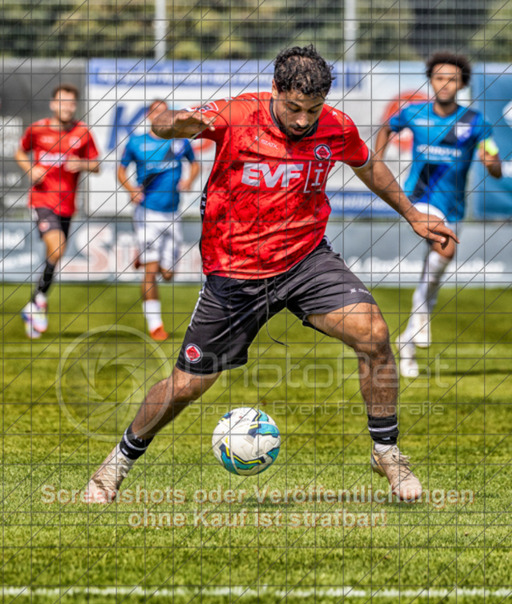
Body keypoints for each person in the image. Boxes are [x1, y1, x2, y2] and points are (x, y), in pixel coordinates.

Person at [85, 45, 458, 505]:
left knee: (374, 334)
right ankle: (116, 464)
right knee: (186, 386)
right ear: (276, 90)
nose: (303, 120)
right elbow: (168, 124)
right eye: (294, 108)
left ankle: (386, 452)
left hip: (306, 260)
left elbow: (369, 166)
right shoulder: (237, 115)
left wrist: (412, 214)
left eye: (312, 110)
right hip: (235, 273)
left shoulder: (336, 126)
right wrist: (169, 123)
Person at [375, 51, 502, 377]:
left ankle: (408, 342)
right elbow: (387, 127)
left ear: (462, 84)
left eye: (452, 79)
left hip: (453, 206)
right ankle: (418, 325)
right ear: (431, 80)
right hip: (419, 199)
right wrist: (376, 159)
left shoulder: (475, 122)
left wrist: (492, 163)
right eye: (439, 77)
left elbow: (494, 163)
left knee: (431, 278)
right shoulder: (414, 113)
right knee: (446, 246)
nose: (445, 83)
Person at [15, 84, 100, 339]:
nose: (67, 107)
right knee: (58, 246)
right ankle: (37, 302)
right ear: (53, 104)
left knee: (55, 254)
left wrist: (82, 163)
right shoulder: (37, 129)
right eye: (62, 102)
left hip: (67, 205)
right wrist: (30, 169)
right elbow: (20, 151)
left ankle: (35, 303)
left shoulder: (82, 132)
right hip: (42, 200)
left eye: (71, 103)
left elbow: (96, 165)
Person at [118, 99, 200, 340]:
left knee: (168, 273)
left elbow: (195, 165)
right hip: (147, 213)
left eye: (165, 113)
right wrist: (131, 189)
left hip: (172, 213)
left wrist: (189, 180)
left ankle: (141, 256)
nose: (161, 117)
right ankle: (156, 325)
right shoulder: (136, 142)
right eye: (157, 113)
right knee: (151, 272)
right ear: (149, 116)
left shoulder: (180, 142)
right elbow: (120, 170)